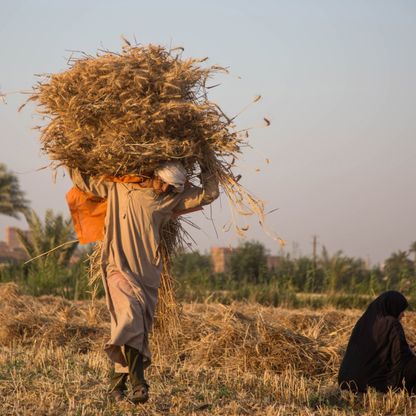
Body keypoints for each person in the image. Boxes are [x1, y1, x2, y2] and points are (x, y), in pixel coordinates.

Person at [67, 161, 219, 403]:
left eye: (172, 189)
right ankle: (139, 383)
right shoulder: (120, 188)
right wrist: (73, 156)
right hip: (117, 266)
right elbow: (83, 181)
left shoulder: (170, 199)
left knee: (136, 328)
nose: (166, 191)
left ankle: (116, 387)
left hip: (147, 273)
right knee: (129, 318)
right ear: (157, 177)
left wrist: (206, 164)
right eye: (166, 185)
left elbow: (209, 193)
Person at [338, 291, 416, 394]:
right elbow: (400, 359)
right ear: (392, 307)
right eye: (401, 310)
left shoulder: (363, 323)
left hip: (346, 382)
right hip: (374, 384)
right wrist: (411, 353)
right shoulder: (392, 323)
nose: (403, 314)